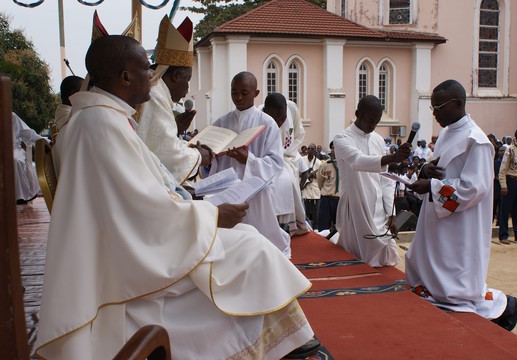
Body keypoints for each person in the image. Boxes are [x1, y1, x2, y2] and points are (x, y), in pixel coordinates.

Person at [35, 35, 319, 359]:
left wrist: (193, 206)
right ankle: (281, 341)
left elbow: (140, 194)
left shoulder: (102, 118)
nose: (153, 76)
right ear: (125, 77)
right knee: (251, 246)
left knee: (247, 238)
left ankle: (284, 339)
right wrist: (212, 216)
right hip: (126, 260)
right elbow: (143, 208)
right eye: (146, 68)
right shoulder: (101, 124)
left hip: (125, 243)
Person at [405, 79, 517, 331]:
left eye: (439, 107)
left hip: (460, 222)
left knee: (456, 284)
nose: (435, 113)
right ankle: (437, 293)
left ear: (458, 103)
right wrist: (425, 170)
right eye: (433, 107)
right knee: (424, 261)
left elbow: (475, 188)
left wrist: (432, 187)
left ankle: (506, 307)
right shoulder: (447, 133)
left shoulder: (477, 141)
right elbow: (437, 166)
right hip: (438, 215)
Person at [206, 72, 292, 257]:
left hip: (255, 191)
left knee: (258, 240)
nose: (238, 97)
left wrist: (248, 160)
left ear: (256, 93)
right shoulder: (221, 122)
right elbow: (213, 162)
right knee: (228, 241)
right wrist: (208, 156)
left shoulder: (267, 123)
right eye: (234, 92)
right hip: (225, 189)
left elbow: (276, 163)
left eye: (244, 93)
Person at [333, 95, 411, 267]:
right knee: (355, 263)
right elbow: (358, 161)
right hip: (355, 207)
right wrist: (392, 158)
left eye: (377, 122)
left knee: (386, 262)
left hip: (378, 210)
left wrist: (391, 214)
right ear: (357, 114)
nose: (373, 126)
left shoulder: (377, 139)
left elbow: (385, 180)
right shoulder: (342, 139)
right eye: (370, 120)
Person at [136, 16, 212, 184]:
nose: (187, 89)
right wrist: (199, 156)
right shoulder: (154, 95)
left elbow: (158, 143)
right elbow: (167, 154)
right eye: (188, 80)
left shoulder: (157, 91)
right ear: (176, 76)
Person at [262, 93, 311, 235]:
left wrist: (284, 153)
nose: (278, 121)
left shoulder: (292, 108)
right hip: (266, 159)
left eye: (282, 117)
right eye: (274, 118)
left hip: (288, 156)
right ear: (266, 112)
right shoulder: (259, 116)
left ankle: (293, 224)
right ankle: (271, 225)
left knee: (288, 181)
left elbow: (298, 134)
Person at [12, 112, 46, 204]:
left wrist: (47, 142)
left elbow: (29, 134)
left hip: (12, 150)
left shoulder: (11, 116)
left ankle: (20, 196)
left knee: (15, 160)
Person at [316, 141, 340, 232]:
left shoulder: (346, 166)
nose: (335, 150)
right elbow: (320, 182)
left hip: (340, 201)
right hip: (326, 199)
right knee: (323, 227)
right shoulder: (325, 165)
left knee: (339, 228)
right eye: (333, 148)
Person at [301, 143, 323, 229]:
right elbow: (298, 172)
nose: (310, 150)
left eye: (312, 149)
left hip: (314, 189)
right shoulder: (302, 160)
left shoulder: (319, 162)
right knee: (305, 211)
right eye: (308, 149)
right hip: (305, 189)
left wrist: (313, 175)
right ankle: (306, 227)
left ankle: (315, 228)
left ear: (315, 151)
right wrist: (305, 176)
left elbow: (321, 176)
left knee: (315, 212)